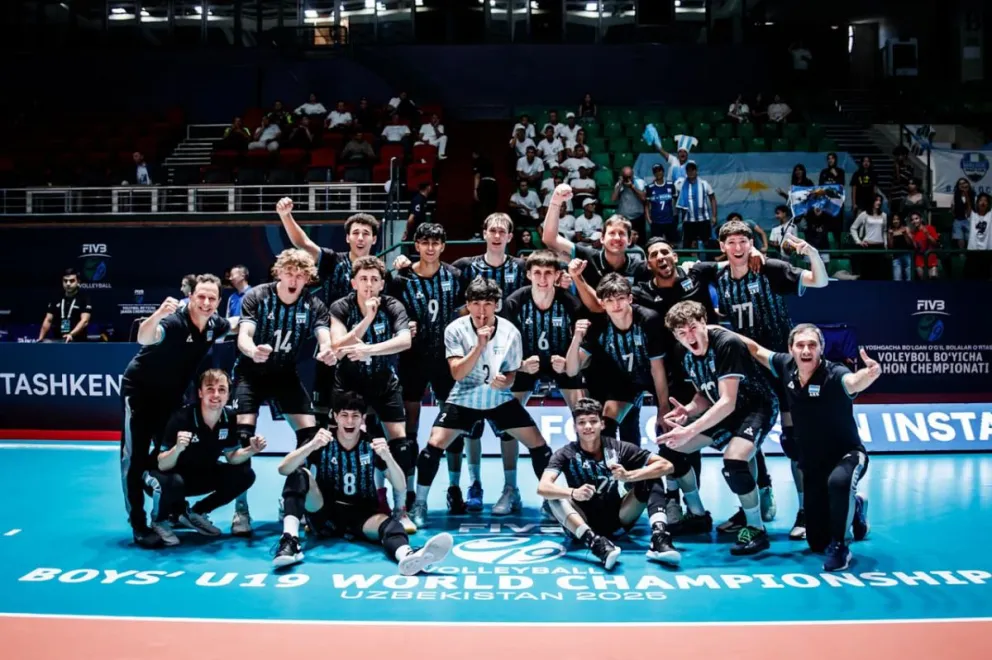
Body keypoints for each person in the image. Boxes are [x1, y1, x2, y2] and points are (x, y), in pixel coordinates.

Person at [690, 220, 828, 538]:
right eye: (731, 243)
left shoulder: (770, 270)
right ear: (722, 246)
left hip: (780, 364)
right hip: (745, 367)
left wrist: (811, 253)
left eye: (743, 242)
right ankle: (756, 503)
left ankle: (807, 510)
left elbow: (819, 281)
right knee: (745, 437)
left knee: (795, 442)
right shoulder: (716, 275)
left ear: (752, 243)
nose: (738, 248)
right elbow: (694, 268)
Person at [409, 277, 554, 528]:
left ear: (497, 305)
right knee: (433, 444)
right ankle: (420, 503)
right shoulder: (455, 329)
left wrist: (505, 381)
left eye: (487, 304)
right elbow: (457, 373)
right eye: (476, 304)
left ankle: (549, 502)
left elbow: (511, 374)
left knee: (539, 445)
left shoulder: (510, 332)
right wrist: (478, 346)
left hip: (498, 398)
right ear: (467, 305)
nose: (482, 311)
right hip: (465, 395)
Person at [737, 324, 875, 571]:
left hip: (848, 455)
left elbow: (853, 382)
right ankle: (855, 508)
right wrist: (713, 329)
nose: (806, 350)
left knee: (839, 483)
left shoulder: (835, 373)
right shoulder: (785, 366)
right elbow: (755, 350)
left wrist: (869, 375)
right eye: (800, 345)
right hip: (814, 463)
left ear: (821, 349)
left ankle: (841, 547)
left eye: (812, 345)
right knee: (817, 542)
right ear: (791, 349)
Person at [273, 392, 454, 574]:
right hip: (323, 512)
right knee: (298, 474)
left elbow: (400, 486)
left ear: (363, 419)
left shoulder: (371, 445)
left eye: (355, 416)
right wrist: (311, 446)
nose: (349, 421)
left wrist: (388, 457)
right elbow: (284, 469)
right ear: (335, 416)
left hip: (362, 515)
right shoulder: (322, 441)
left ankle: (407, 556)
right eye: (344, 415)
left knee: (391, 526)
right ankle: (290, 541)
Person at [657, 302, 780, 556]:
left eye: (693, 328)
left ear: (704, 322)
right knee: (672, 449)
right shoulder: (683, 352)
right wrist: (689, 410)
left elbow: (727, 401)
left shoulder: (727, 343)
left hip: (756, 406)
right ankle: (697, 515)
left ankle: (756, 529)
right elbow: (705, 393)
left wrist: (689, 430)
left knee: (735, 460)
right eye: (682, 333)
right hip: (725, 408)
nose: (690, 336)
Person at [120, 275, 231, 547]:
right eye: (201, 296)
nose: (206, 303)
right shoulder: (174, 322)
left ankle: (174, 512)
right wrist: (158, 314)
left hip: (173, 397)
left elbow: (237, 325)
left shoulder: (216, 325)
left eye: (212, 298)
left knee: (175, 453)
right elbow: (144, 337)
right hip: (141, 394)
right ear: (190, 297)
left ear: (219, 301)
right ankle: (138, 524)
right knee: (135, 459)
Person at [233, 249, 336, 537]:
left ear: (307, 278)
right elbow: (244, 336)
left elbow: (324, 337)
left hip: (285, 373)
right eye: (289, 273)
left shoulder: (313, 305)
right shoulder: (257, 296)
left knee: (311, 437)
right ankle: (241, 509)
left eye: (300, 275)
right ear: (279, 272)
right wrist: (253, 351)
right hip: (251, 372)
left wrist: (327, 350)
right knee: (243, 438)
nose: (294, 279)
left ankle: (291, 497)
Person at [632, 238, 717, 527]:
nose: (661, 257)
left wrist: (755, 251)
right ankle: (673, 500)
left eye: (665, 251)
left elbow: (732, 262)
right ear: (648, 263)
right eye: (654, 254)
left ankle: (760, 489)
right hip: (668, 374)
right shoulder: (642, 292)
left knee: (695, 441)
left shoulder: (697, 275)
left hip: (706, 370)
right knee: (670, 437)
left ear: (675, 256)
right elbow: (609, 295)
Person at [538, 398, 677, 570]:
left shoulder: (619, 448)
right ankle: (595, 544)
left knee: (651, 476)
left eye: (593, 421)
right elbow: (542, 487)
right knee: (554, 497)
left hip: (618, 518)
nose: (588, 426)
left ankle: (659, 538)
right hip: (581, 521)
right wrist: (573, 492)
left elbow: (667, 466)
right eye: (581, 422)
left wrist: (629, 476)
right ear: (574, 427)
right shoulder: (565, 454)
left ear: (602, 424)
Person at [276, 198, 380, 426]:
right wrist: (285, 216)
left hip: (367, 346)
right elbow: (303, 243)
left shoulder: (380, 271)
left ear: (374, 239)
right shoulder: (333, 261)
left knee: (368, 416)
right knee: (325, 413)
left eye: (366, 233)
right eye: (355, 233)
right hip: (333, 345)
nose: (360, 238)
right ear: (347, 237)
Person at [329, 256, 415, 531]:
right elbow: (337, 346)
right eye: (363, 279)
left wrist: (369, 350)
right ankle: (349, 503)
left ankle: (401, 508)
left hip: (383, 381)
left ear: (382, 284)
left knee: (400, 445)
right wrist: (367, 318)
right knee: (344, 442)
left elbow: (405, 340)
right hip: (350, 384)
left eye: (374, 279)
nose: (369, 285)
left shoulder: (393, 305)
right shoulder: (341, 307)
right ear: (353, 282)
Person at [498, 251, 587, 514]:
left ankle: (583, 484)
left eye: (549, 273)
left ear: (558, 275)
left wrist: (569, 362)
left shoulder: (570, 302)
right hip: (526, 361)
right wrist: (520, 365)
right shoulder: (515, 302)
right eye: (537, 272)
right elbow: (501, 345)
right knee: (507, 419)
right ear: (528, 274)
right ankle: (510, 488)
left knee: (583, 415)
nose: (543, 278)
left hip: (562, 360)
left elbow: (583, 346)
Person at [388, 224, 466, 514]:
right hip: (413, 358)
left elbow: (464, 313)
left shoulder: (454, 276)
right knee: (411, 426)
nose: (430, 248)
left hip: (447, 359)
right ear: (416, 245)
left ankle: (454, 487)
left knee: (452, 424)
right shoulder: (401, 279)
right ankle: (409, 490)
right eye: (424, 242)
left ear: (443, 246)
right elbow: (390, 313)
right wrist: (402, 326)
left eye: (435, 242)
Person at [144, 370, 262, 546]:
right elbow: (162, 464)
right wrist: (177, 449)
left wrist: (251, 450)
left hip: (199, 473)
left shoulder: (229, 417)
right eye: (210, 389)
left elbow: (232, 457)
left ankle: (196, 512)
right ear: (200, 393)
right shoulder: (182, 418)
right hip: (162, 477)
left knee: (245, 475)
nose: (216, 395)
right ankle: (159, 520)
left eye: (222, 390)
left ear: (228, 394)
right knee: (173, 482)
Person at [565, 273, 670, 453]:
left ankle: (640, 469)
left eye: (620, 298)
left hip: (647, 376)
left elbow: (657, 368)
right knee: (611, 425)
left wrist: (663, 407)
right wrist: (576, 338)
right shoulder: (599, 324)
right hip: (620, 381)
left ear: (630, 298)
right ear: (602, 303)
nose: (616, 305)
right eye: (610, 300)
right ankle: (612, 467)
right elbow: (572, 370)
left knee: (658, 426)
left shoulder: (648, 320)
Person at [38, 268, 91, 342]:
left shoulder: (84, 298)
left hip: (78, 342)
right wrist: (40, 339)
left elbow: (85, 321)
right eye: (65, 281)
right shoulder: (56, 298)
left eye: (72, 281)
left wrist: (71, 334)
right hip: (58, 341)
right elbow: (48, 320)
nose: (68, 284)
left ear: (78, 281)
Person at [644, 163, 678, 244]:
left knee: (672, 244)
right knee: (657, 244)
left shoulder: (670, 185)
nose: (658, 173)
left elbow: (676, 202)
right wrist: (649, 220)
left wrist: (675, 218)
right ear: (653, 174)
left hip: (669, 221)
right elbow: (646, 205)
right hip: (656, 222)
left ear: (663, 171)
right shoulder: (650, 187)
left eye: (659, 170)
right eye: (655, 171)